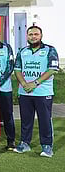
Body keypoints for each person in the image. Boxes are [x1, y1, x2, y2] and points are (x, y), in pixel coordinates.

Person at [14, 26, 59, 158]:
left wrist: (35, 83)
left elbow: (52, 69)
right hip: (25, 92)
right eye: (30, 34)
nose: (33, 37)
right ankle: (25, 143)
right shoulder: (22, 51)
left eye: (36, 34)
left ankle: (47, 146)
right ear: (27, 36)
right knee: (26, 120)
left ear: (41, 35)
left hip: (43, 92)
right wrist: (23, 84)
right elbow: (17, 69)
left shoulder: (50, 50)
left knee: (45, 119)